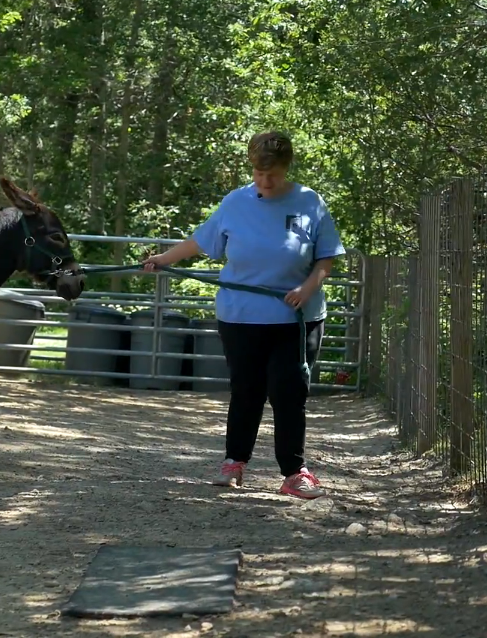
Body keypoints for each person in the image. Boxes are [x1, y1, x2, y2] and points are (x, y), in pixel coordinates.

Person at [142, 131, 345, 500]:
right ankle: (234, 463)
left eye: (273, 174)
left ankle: (293, 472)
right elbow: (201, 241)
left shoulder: (310, 202)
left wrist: (307, 289)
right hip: (242, 317)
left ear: (287, 168)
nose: (265, 181)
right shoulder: (236, 202)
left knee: (288, 392)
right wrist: (162, 258)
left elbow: (326, 257)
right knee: (246, 390)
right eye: (258, 173)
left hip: (296, 318)